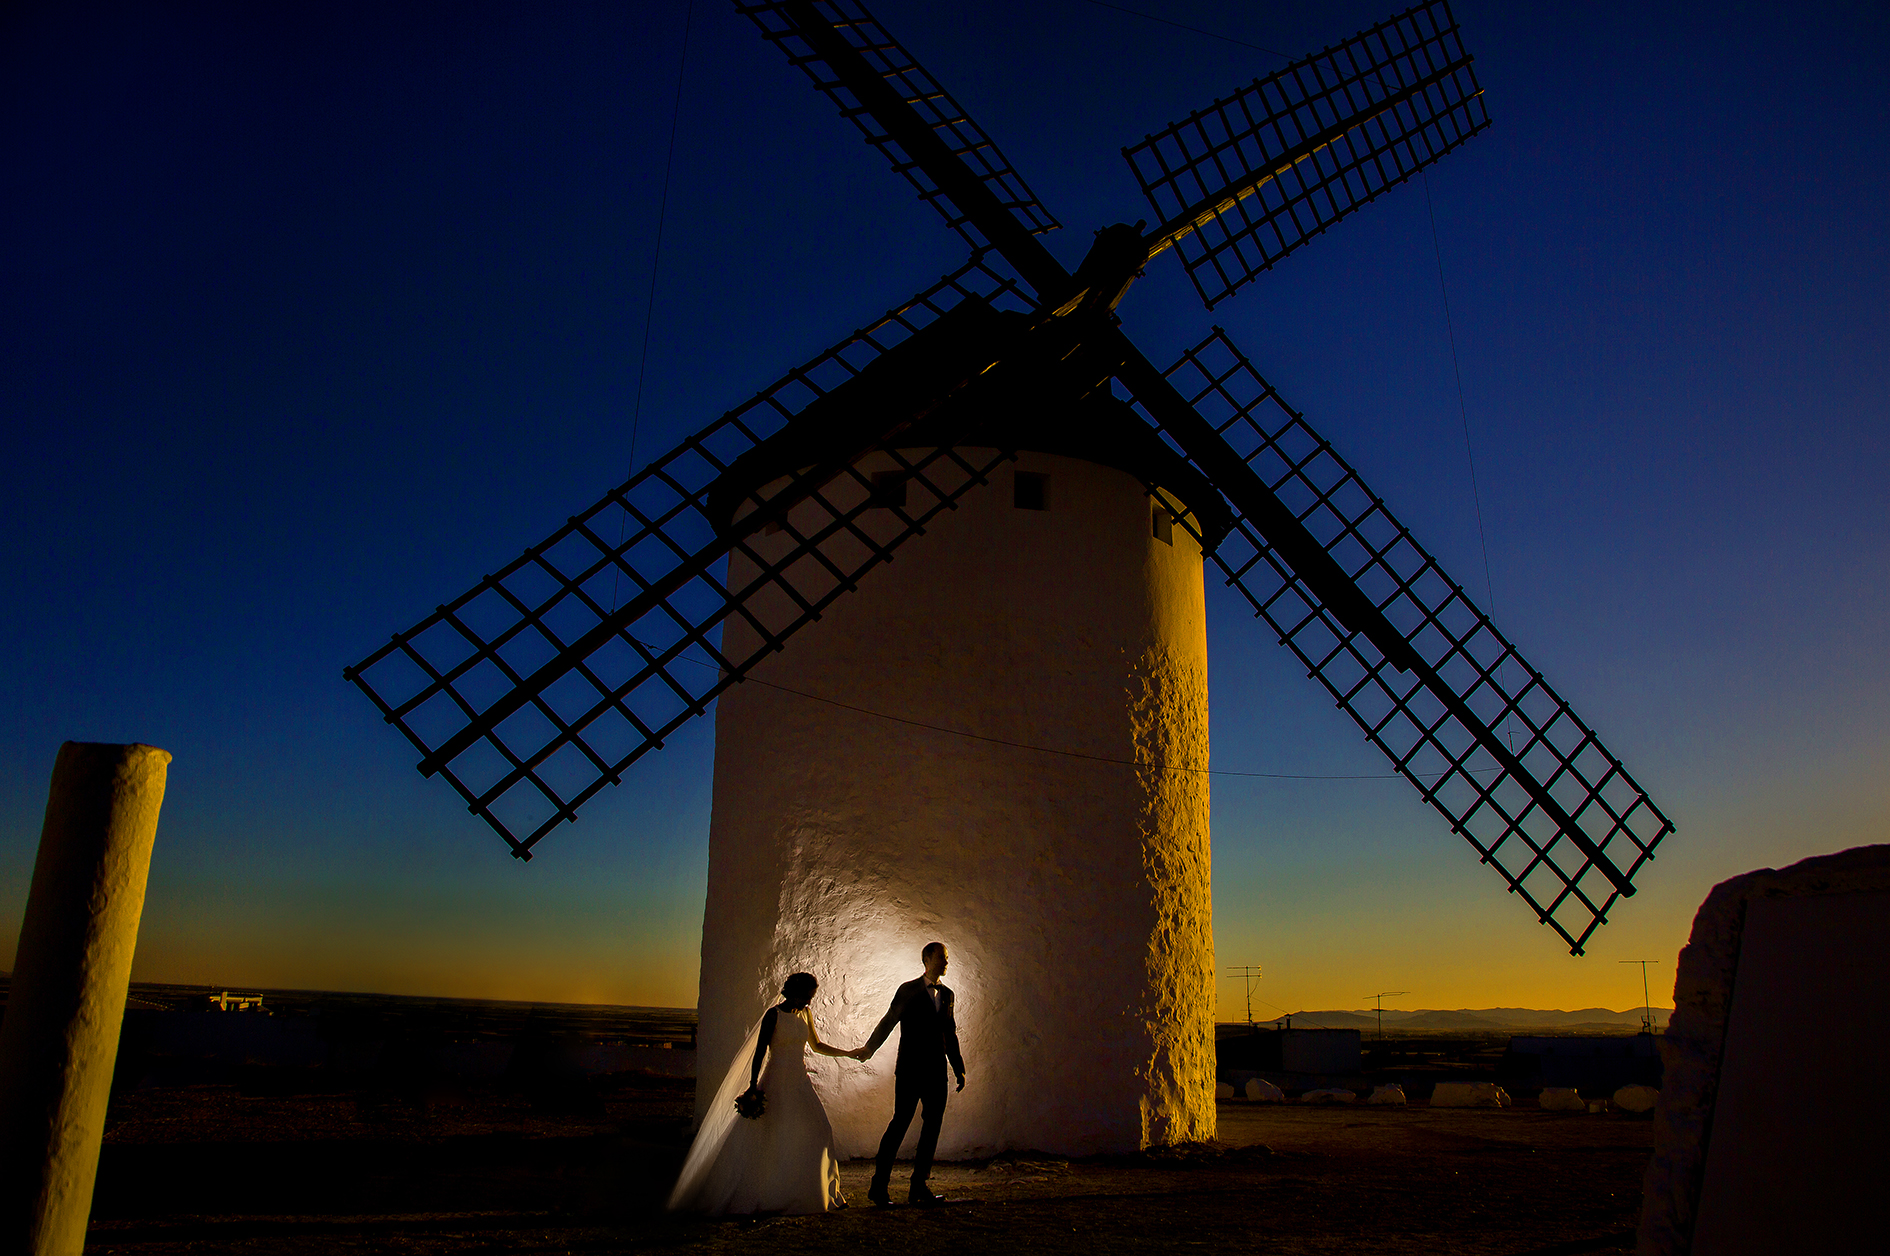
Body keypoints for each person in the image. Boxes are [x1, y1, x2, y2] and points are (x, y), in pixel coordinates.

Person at [667, 972, 866, 1215]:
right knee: (773, 1134)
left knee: (819, 1129)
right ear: (794, 992)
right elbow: (760, 1051)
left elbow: (817, 1045)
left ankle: (810, 1190)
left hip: (799, 1082)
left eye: (811, 997)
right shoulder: (773, 1016)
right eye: (806, 997)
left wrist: (847, 1053)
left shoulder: (805, 1014)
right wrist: (752, 1085)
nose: (809, 1002)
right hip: (776, 1081)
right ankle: (770, 1191)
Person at [860, 941, 965, 1206]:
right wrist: (869, 1049)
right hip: (910, 1069)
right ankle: (879, 1186)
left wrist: (958, 1067)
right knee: (899, 1124)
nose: (946, 962)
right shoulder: (908, 990)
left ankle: (919, 1185)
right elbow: (889, 1020)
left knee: (932, 1127)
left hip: (937, 1071)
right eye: (942, 957)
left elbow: (949, 1033)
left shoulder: (948, 994)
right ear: (927, 958)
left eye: (947, 957)